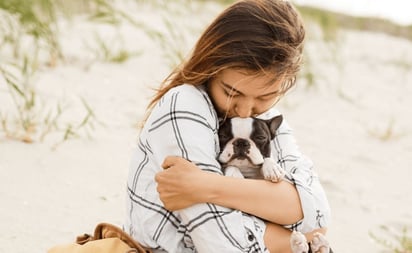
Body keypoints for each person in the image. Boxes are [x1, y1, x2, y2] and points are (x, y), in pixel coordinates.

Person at [124, 0, 331, 252]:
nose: (245, 111)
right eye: (231, 92)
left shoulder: (269, 119)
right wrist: (291, 230)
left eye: (265, 96)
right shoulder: (185, 104)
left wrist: (207, 186)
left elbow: (318, 217)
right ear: (209, 66)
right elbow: (223, 244)